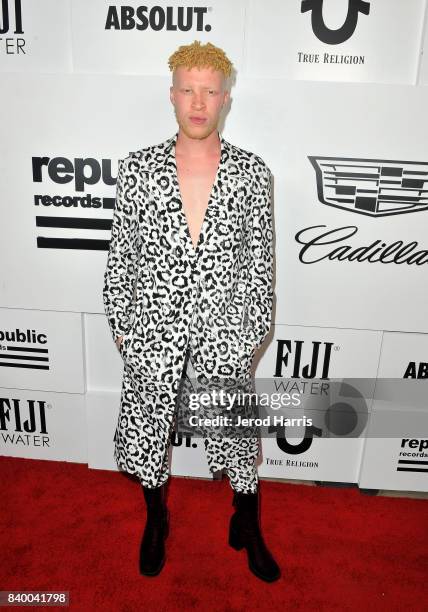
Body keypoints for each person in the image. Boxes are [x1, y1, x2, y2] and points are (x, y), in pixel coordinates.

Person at [103, 40, 279, 582]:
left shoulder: (253, 174)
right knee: (150, 430)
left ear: (226, 98)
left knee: (237, 434)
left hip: (226, 332)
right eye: (187, 90)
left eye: (209, 91)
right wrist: (131, 337)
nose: (198, 102)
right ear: (172, 96)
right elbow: (120, 266)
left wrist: (245, 337)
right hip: (151, 333)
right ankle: (157, 517)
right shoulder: (137, 170)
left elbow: (261, 270)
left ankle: (245, 521)